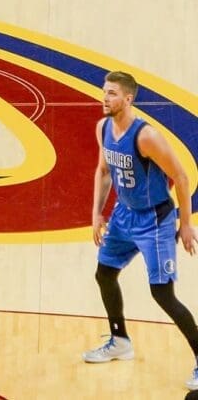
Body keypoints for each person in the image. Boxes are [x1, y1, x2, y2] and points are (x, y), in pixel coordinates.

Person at [82, 70, 198, 391]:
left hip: (155, 220)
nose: (105, 98)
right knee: (104, 274)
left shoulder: (146, 136)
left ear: (128, 99)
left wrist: (186, 224)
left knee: (162, 294)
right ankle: (119, 340)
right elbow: (104, 171)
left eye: (112, 94)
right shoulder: (103, 127)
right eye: (104, 92)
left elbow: (182, 177)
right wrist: (96, 214)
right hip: (123, 215)